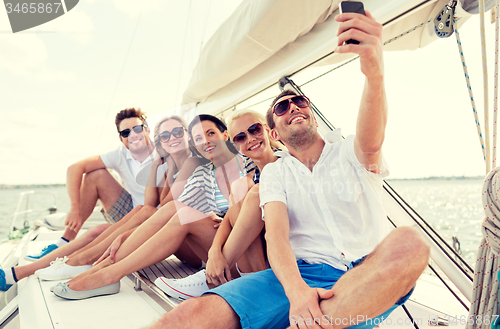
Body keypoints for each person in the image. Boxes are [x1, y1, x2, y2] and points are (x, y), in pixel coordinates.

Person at [147, 10, 430, 329]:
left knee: (410, 243)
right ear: (275, 133)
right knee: (184, 317)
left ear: (312, 114)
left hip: (365, 272)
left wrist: (373, 72)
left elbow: (371, 136)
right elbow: (278, 238)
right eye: (281, 108)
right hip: (300, 274)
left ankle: (316, 320)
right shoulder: (275, 175)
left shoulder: (351, 152)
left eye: (299, 102)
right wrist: (297, 294)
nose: (292, 108)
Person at [51, 114, 257, 299]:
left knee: (173, 210)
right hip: (215, 244)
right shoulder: (208, 171)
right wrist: (124, 236)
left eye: (211, 133)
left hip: (241, 255)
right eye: (199, 139)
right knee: (173, 209)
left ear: (226, 135)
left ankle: (105, 273)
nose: (206, 141)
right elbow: (162, 207)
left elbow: (244, 212)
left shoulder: (243, 165)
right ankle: (99, 270)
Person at [0, 114, 202, 289]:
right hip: (161, 226)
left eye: (177, 132)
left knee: (145, 212)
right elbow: (154, 203)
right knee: (108, 225)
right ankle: (37, 266)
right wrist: (159, 165)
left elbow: (163, 208)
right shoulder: (169, 166)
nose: (171, 138)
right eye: (165, 136)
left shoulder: (193, 162)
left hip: (191, 242)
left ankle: (80, 261)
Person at [154, 109, 281, 299]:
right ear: (235, 143)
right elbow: (230, 212)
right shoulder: (250, 175)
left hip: (282, 254)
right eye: (240, 137)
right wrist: (214, 250)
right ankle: (234, 276)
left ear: (269, 130)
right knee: (184, 212)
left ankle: (214, 279)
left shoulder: (286, 164)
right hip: (259, 252)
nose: (250, 139)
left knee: (245, 191)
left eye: (255, 129)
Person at [23, 108, 155, 263]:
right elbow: (74, 168)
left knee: (97, 231)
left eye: (137, 129)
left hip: (156, 218)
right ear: (121, 138)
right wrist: (74, 208)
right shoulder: (121, 154)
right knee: (95, 175)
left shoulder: (164, 153)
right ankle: (64, 242)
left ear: (147, 130)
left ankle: (66, 261)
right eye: (126, 133)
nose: (132, 135)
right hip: (132, 212)